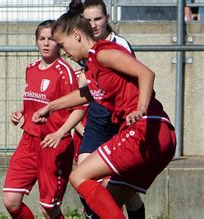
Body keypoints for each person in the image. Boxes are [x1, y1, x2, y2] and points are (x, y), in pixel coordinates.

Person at [32, 5, 176, 219]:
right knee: (102, 208)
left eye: (62, 45)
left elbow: (146, 73)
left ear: (76, 35)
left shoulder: (103, 53)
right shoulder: (93, 65)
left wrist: (141, 108)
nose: (62, 52)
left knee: (79, 175)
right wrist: (50, 107)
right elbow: (87, 94)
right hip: (160, 138)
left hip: (145, 129)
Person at [2, 20, 84, 219]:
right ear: (36, 42)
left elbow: (78, 110)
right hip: (29, 141)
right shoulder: (31, 69)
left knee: (49, 209)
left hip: (54, 144)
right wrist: (20, 112)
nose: (46, 43)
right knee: (11, 200)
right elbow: (35, 98)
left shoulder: (65, 73)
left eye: (51, 39)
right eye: (42, 39)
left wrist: (60, 133)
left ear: (59, 43)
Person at [71, 0, 145, 218]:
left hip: (119, 120)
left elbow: (138, 78)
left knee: (124, 191)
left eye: (98, 19)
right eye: (88, 20)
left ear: (107, 19)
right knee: (82, 178)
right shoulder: (84, 44)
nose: (93, 25)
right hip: (97, 119)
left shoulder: (118, 45)